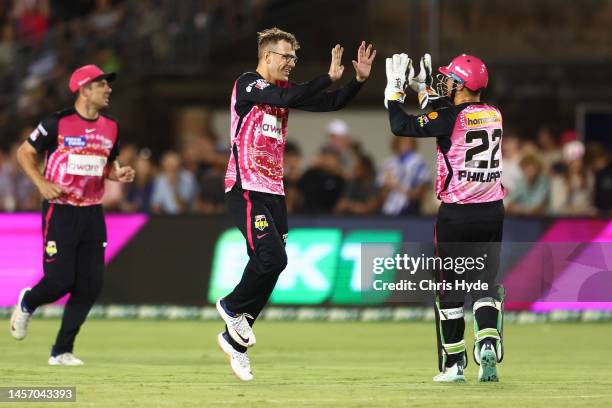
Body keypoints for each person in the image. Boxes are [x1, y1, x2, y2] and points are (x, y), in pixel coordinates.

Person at [218, 27, 375, 381]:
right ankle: (230, 307)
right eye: (286, 57)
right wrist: (327, 76)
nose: (291, 63)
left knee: (273, 263)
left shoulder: (283, 92)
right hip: (245, 188)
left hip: (274, 191)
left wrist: (357, 81)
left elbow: (331, 102)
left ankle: (235, 340)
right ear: (267, 56)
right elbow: (290, 97)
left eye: (294, 58)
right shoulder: (248, 84)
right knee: (272, 257)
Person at [385, 53, 505, 382]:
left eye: (451, 79)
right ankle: (488, 344)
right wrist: (425, 88)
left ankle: (454, 365)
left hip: (457, 215)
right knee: (485, 283)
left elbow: (402, 126)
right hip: (493, 211)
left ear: (462, 85)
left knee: (450, 288)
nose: (446, 82)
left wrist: (395, 93)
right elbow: (444, 113)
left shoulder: (449, 116)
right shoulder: (493, 114)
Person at [10, 64, 135, 365]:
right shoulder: (57, 123)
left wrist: (118, 174)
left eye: (108, 84)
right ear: (84, 89)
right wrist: (41, 183)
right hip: (60, 210)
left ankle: (61, 351)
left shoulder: (111, 126)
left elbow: (107, 166)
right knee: (59, 281)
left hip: (92, 212)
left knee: (90, 285)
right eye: (102, 85)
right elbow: (23, 153)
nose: (108, 89)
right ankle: (28, 302)